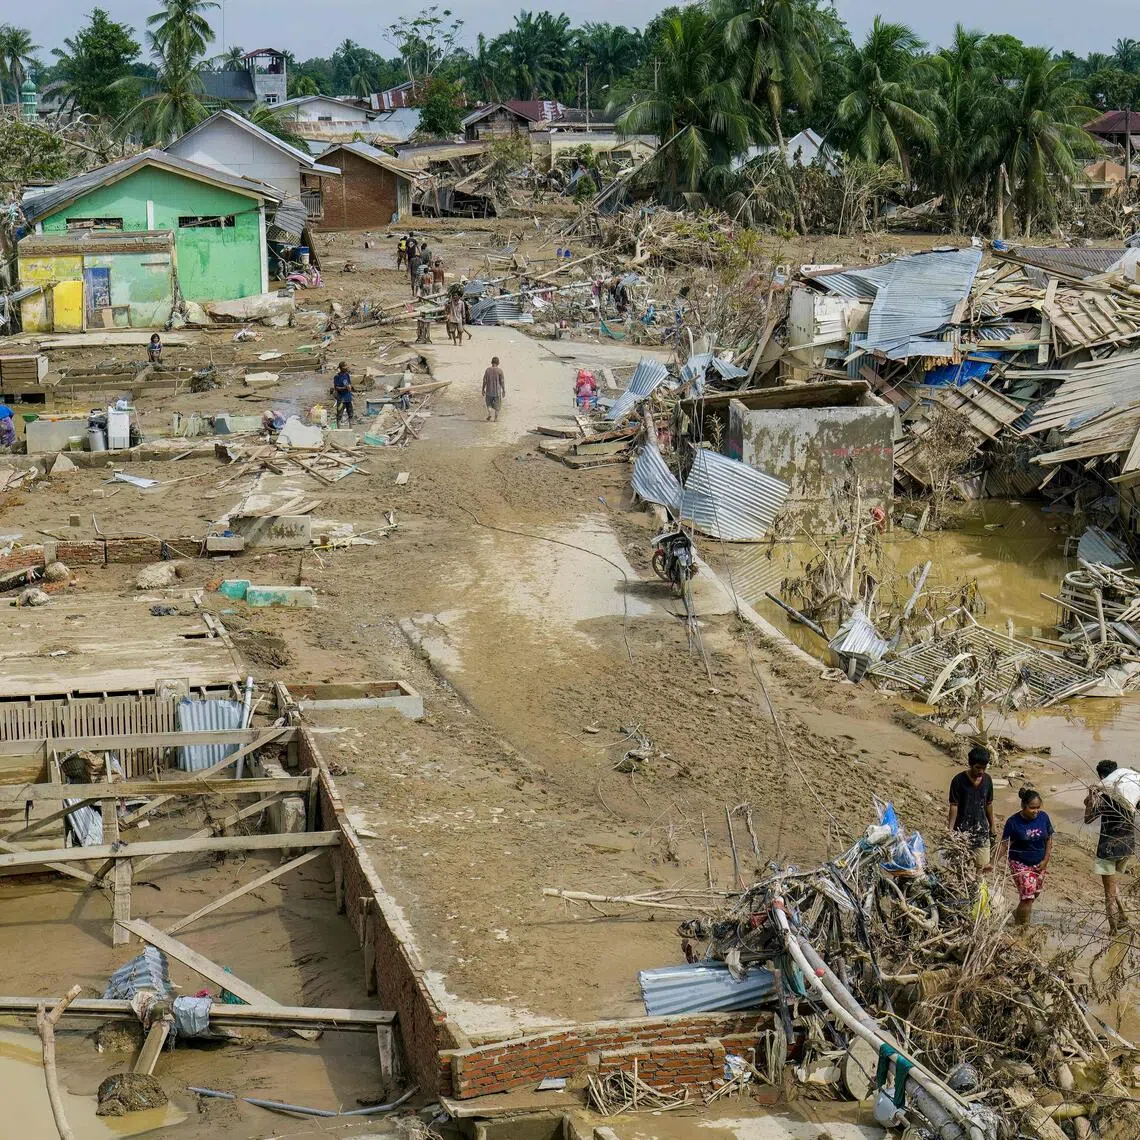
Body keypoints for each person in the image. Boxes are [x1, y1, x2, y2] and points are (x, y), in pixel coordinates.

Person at [1085, 760, 1137, 931]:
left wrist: (1092, 795)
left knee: (1109, 893)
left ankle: (1113, 929)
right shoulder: (1129, 793)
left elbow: (1088, 819)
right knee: (1114, 885)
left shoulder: (1106, 798)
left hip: (1108, 849)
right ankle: (1123, 918)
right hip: (1127, 846)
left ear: (1101, 776)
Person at [999, 788, 1055, 926]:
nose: (1036, 811)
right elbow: (1004, 844)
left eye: (1038, 807)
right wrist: (992, 862)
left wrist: (1046, 859)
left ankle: (1018, 914)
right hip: (1020, 863)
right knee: (1028, 897)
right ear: (1023, 807)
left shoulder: (1044, 817)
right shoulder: (1013, 822)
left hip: (1039, 863)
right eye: (1032, 808)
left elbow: (1048, 839)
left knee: (1035, 893)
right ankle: (1023, 928)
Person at [948, 745, 997, 871]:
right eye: (978, 767)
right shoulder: (958, 780)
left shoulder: (987, 780)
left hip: (981, 830)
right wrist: (950, 830)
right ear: (970, 764)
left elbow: (988, 804)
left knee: (982, 865)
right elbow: (954, 806)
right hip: (962, 830)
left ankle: (977, 887)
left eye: (984, 768)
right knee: (960, 865)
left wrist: (992, 825)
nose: (981, 771)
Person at [482, 356, 505, 422]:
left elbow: (484, 380)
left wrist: (483, 389)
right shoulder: (500, 371)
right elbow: (502, 381)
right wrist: (503, 390)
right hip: (497, 392)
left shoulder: (487, 370)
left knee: (488, 404)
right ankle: (496, 418)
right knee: (497, 406)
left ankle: (489, 414)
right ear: (498, 363)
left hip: (489, 391)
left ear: (492, 362)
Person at [332, 360, 354, 426]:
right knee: (340, 414)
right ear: (341, 368)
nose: (346, 369)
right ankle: (338, 427)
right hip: (341, 399)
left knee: (350, 413)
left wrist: (350, 387)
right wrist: (344, 388)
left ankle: (351, 426)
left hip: (348, 398)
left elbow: (349, 383)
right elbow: (336, 388)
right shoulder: (337, 377)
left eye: (346, 368)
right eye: (345, 368)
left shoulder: (347, 375)